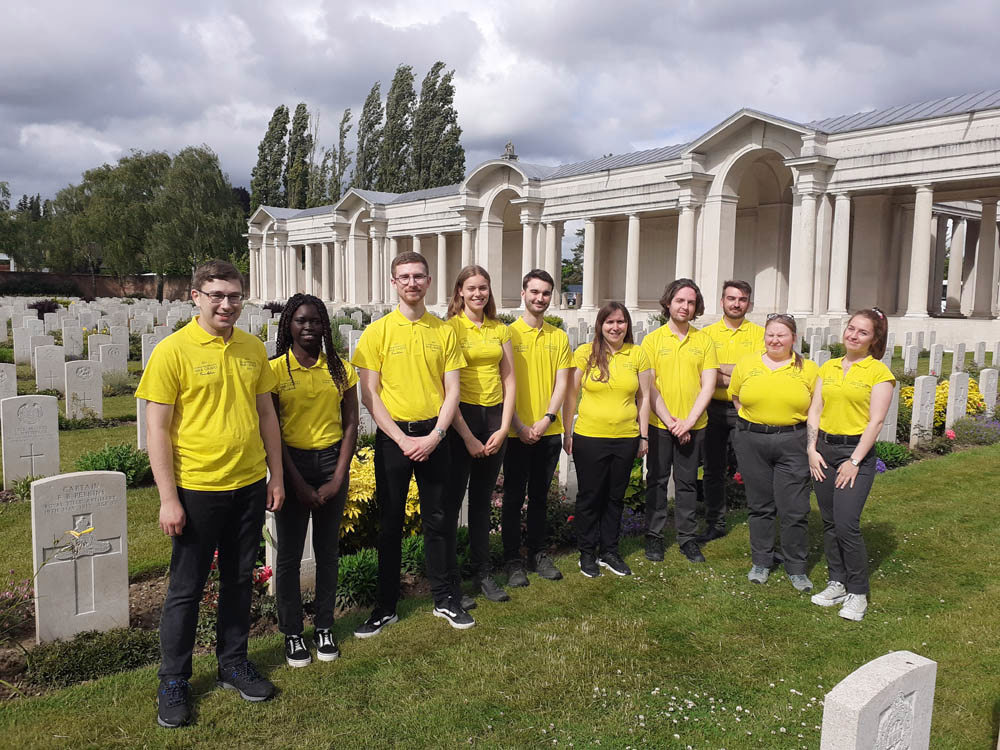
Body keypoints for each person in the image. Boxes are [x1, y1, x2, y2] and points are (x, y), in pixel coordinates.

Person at [138, 260, 284, 729]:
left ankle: (233, 663)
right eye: (217, 295)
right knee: (186, 588)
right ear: (196, 297)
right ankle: (174, 679)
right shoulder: (173, 351)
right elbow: (156, 429)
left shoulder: (251, 348)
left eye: (235, 296)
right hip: (197, 486)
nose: (227, 304)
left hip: (247, 484)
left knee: (240, 579)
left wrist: (275, 477)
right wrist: (168, 498)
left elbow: (266, 416)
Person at [351, 251, 469, 636]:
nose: (412, 282)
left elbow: (453, 390)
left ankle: (444, 598)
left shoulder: (445, 331)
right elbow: (370, 395)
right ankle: (386, 607)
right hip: (393, 440)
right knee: (389, 524)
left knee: (438, 520)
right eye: (404, 277)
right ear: (394, 282)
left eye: (419, 276)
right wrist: (402, 438)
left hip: (436, 437)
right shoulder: (377, 332)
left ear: (429, 281)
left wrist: (435, 435)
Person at [270, 293, 359, 667]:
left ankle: (324, 626)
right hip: (291, 464)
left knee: (327, 553)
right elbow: (272, 430)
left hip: (331, 461)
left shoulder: (340, 370)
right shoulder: (274, 371)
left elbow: (352, 422)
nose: (309, 328)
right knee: (289, 557)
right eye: (301, 321)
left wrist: (338, 477)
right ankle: (292, 633)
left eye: (316, 321)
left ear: (325, 326)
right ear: (288, 324)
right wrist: (298, 485)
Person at [807, 309, 894, 622]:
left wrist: (854, 461)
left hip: (854, 453)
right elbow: (815, 410)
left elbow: (877, 421)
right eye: (851, 329)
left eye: (863, 332)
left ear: (874, 340)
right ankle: (837, 582)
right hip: (823, 452)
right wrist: (811, 449)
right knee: (829, 522)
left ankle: (858, 592)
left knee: (846, 524)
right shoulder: (827, 368)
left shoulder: (879, 373)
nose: (854, 336)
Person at [728, 313, 819, 592]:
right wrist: (750, 422)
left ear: (793, 338)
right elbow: (735, 396)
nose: (775, 340)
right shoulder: (747, 364)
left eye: (781, 335)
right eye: (770, 334)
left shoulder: (809, 369)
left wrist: (811, 446)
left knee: (794, 508)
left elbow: (815, 411)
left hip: (793, 441)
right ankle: (761, 561)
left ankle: (796, 567)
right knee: (760, 505)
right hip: (752, 440)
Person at [443, 266, 516, 604]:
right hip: (462, 419)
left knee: (483, 502)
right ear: (459, 291)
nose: (478, 294)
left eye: (483, 288)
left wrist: (504, 427)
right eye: (471, 288)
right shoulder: (450, 329)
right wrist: (468, 436)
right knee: (453, 500)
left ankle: (483, 573)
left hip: (494, 417)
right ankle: (452, 580)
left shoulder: (500, 329)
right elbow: (447, 388)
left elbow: (510, 378)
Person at [562, 302, 651, 577]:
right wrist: (568, 432)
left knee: (615, 497)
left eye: (621, 322)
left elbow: (644, 397)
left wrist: (643, 435)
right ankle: (587, 553)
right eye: (610, 322)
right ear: (600, 325)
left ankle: (609, 551)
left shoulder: (638, 355)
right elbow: (570, 395)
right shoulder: (585, 354)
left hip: (625, 437)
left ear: (627, 325)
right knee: (590, 497)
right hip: (590, 437)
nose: (616, 327)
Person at [502, 269, 573, 586]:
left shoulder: (558, 337)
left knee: (541, 498)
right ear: (523, 293)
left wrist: (546, 419)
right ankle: (512, 560)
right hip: (515, 431)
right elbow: (503, 385)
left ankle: (537, 553)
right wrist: (517, 422)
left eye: (545, 293)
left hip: (547, 431)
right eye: (534, 292)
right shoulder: (507, 335)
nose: (540, 298)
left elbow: (562, 384)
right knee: (514, 498)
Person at [641, 279, 718, 564]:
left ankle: (688, 539)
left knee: (687, 484)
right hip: (661, 425)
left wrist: (688, 422)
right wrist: (672, 422)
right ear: (668, 303)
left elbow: (708, 385)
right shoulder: (652, 340)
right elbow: (649, 387)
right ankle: (654, 538)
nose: (685, 306)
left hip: (693, 425)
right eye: (680, 301)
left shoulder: (703, 341)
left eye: (691, 302)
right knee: (657, 482)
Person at [700, 280, 765, 543]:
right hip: (712, 409)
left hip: (745, 410)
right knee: (713, 469)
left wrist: (721, 370)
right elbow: (705, 375)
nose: (736, 303)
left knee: (752, 469)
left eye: (742, 299)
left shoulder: (761, 334)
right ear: (722, 301)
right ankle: (715, 522)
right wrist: (739, 371)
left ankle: (759, 521)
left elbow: (758, 374)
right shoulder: (707, 334)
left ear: (749, 303)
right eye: (731, 298)